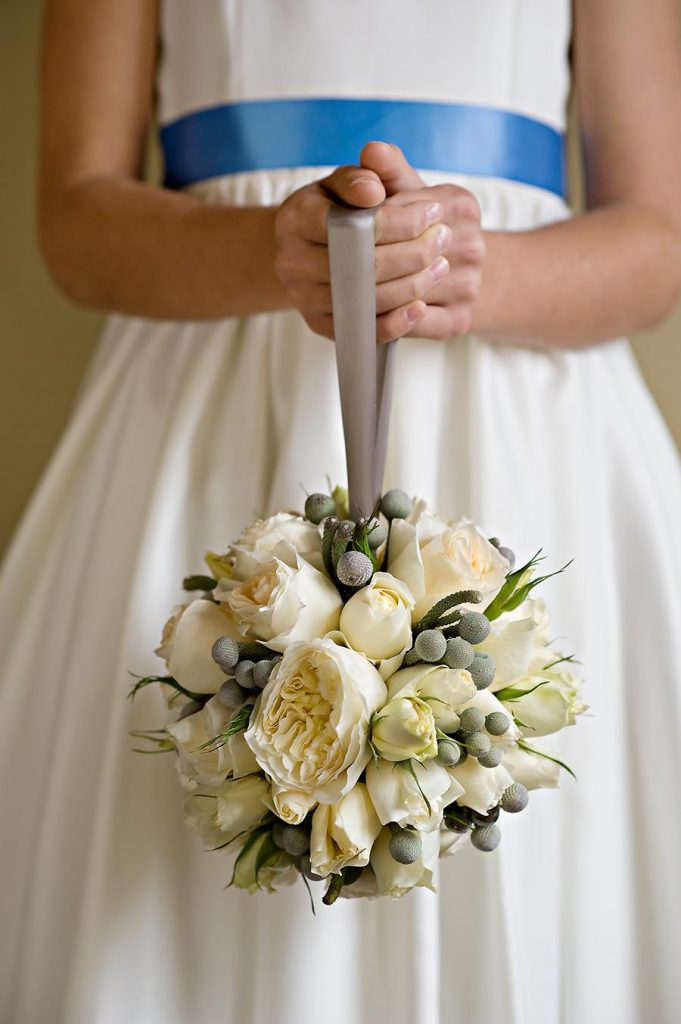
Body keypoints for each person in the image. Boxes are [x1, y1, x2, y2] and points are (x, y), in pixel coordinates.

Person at [2, 1, 681, 1022]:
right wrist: (269, 255)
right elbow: (76, 217)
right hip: (208, 390)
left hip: (524, 408)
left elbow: (657, 235)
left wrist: (471, 269)